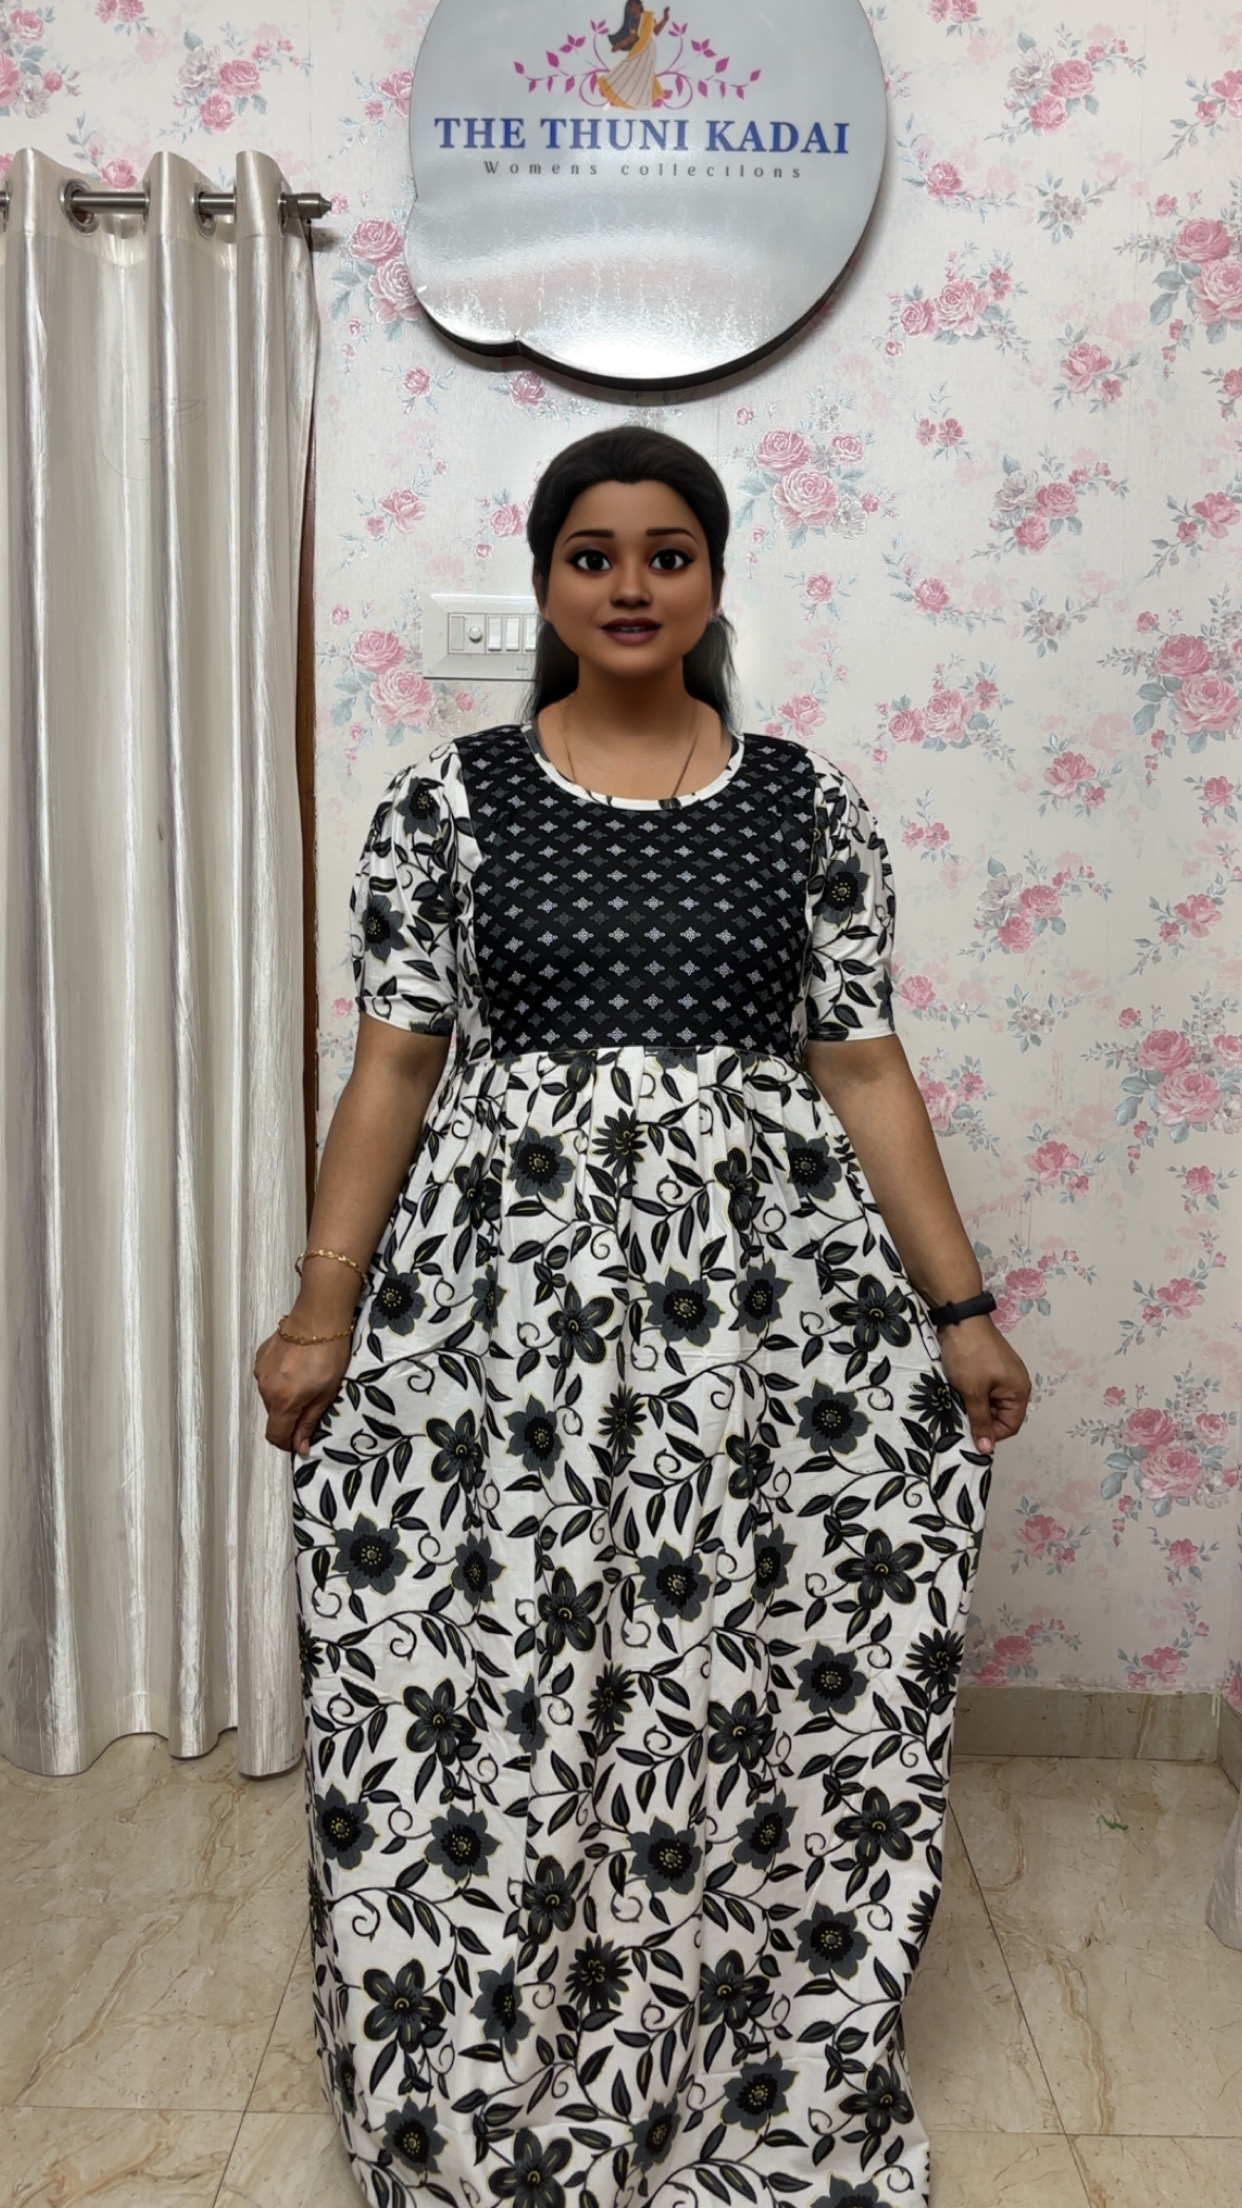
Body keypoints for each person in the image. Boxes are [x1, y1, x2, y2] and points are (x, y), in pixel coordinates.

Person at [255, 425, 1030, 2208]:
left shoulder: (806, 806)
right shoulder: (444, 805)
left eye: (664, 552)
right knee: (508, 1668)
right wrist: (319, 1312)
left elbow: (860, 1063)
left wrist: (961, 1309)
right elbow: (393, 1068)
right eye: (590, 553)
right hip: (503, 1325)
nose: (627, 584)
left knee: (719, 1664)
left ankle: (714, 2046)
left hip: (753, 1331)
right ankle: (491, 2051)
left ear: (711, 576)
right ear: (545, 580)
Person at [599, 3, 671, 109]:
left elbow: (656, 31)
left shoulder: (648, 16)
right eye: (631, 6)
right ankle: (616, 96)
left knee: (645, 72)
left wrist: (665, 19)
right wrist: (620, 44)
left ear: (638, 6)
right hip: (639, 47)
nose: (632, 8)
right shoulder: (633, 21)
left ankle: (652, 94)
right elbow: (633, 36)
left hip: (648, 48)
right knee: (628, 69)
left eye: (633, 5)